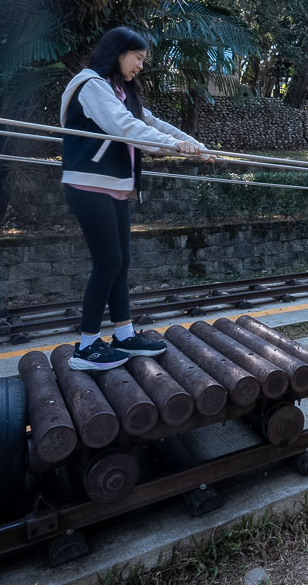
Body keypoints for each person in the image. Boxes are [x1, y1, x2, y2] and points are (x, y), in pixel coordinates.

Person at [60, 27, 211, 371]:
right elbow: (126, 129)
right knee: (108, 263)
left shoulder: (118, 91)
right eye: (138, 58)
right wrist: (174, 147)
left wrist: (197, 149)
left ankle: (124, 334)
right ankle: (86, 347)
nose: (141, 66)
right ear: (118, 52)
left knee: (121, 262)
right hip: (88, 184)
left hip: (113, 186)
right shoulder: (91, 86)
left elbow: (152, 122)